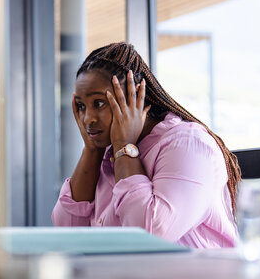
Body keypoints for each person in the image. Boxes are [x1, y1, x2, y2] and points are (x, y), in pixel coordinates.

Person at [51, 42, 242, 248]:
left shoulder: (188, 145)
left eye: (98, 103)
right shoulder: (107, 153)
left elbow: (149, 237)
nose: (87, 119)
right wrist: (91, 150)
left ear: (134, 96)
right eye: (81, 106)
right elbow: (67, 234)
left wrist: (125, 147)